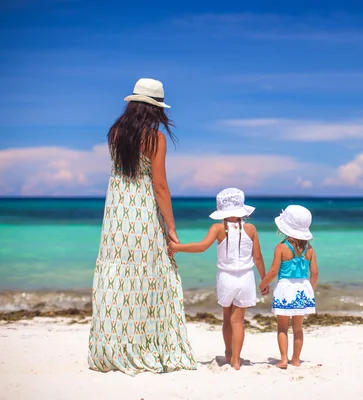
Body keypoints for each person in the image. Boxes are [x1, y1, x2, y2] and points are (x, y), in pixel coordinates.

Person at [88, 78, 196, 375]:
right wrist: (171, 229)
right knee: (149, 276)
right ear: (155, 109)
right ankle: (145, 344)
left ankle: (112, 346)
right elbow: (159, 186)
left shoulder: (115, 133)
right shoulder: (155, 138)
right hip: (143, 214)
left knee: (116, 278)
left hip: (116, 217)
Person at [169, 188, 267, 370]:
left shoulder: (218, 228)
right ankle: (237, 361)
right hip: (246, 278)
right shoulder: (251, 228)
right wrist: (264, 280)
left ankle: (228, 354)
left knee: (227, 318)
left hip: (226, 279)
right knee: (238, 321)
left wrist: (177, 247)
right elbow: (258, 257)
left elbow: (201, 247)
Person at [259, 205, 318, 369]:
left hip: (285, 289)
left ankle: (284, 359)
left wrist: (263, 284)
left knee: (282, 327)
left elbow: (273, 271)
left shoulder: (281, 247)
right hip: (303, 289)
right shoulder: (310, 249)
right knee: (298, 328)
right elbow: (315, 272)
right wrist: (310, 290)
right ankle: (296, 359)